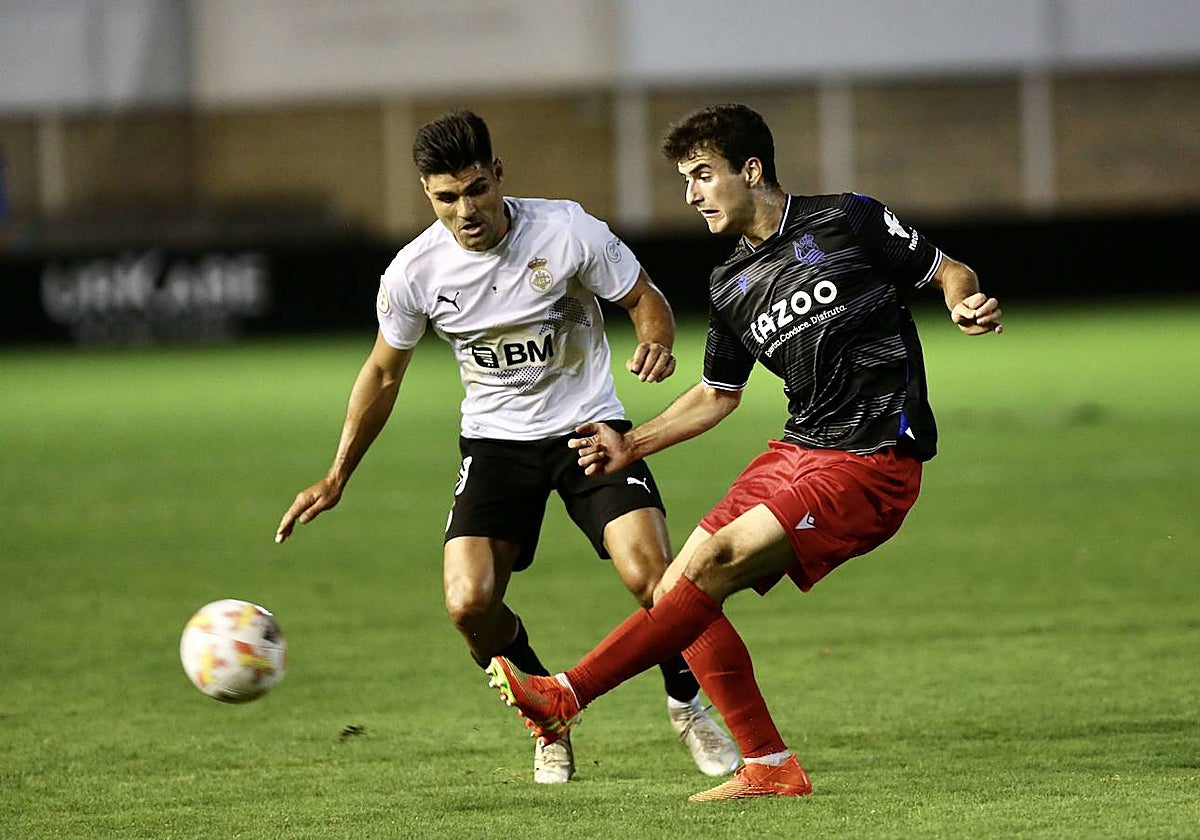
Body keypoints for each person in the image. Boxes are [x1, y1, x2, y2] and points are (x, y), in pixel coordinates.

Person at [485, 103, 1004, 801]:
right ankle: (768, 764)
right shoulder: (728, 283)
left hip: (873, 456)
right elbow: (716, 393)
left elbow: (948, 269)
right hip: (798, 449)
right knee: (678, 586)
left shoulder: (845, 218)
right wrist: (630, 442)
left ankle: (566, 696)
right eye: (684, 180)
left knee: (717, 563)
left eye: (702, 175)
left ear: (750, 170)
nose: (692, 194)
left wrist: (962, 302)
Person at [274, 109, 738, 785]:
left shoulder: (567, 230)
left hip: (587, 427)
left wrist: (657, 340)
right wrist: (336, 474)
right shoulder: (415, 273)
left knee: (654, 580)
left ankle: (687, 700)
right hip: (495, 445)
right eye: (445, 198)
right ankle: (547, 712)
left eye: (475, 189)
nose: (465, 210)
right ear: (427, 196)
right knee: (468, 606)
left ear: (498, 175)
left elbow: (644, 298)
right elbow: (382, 373)